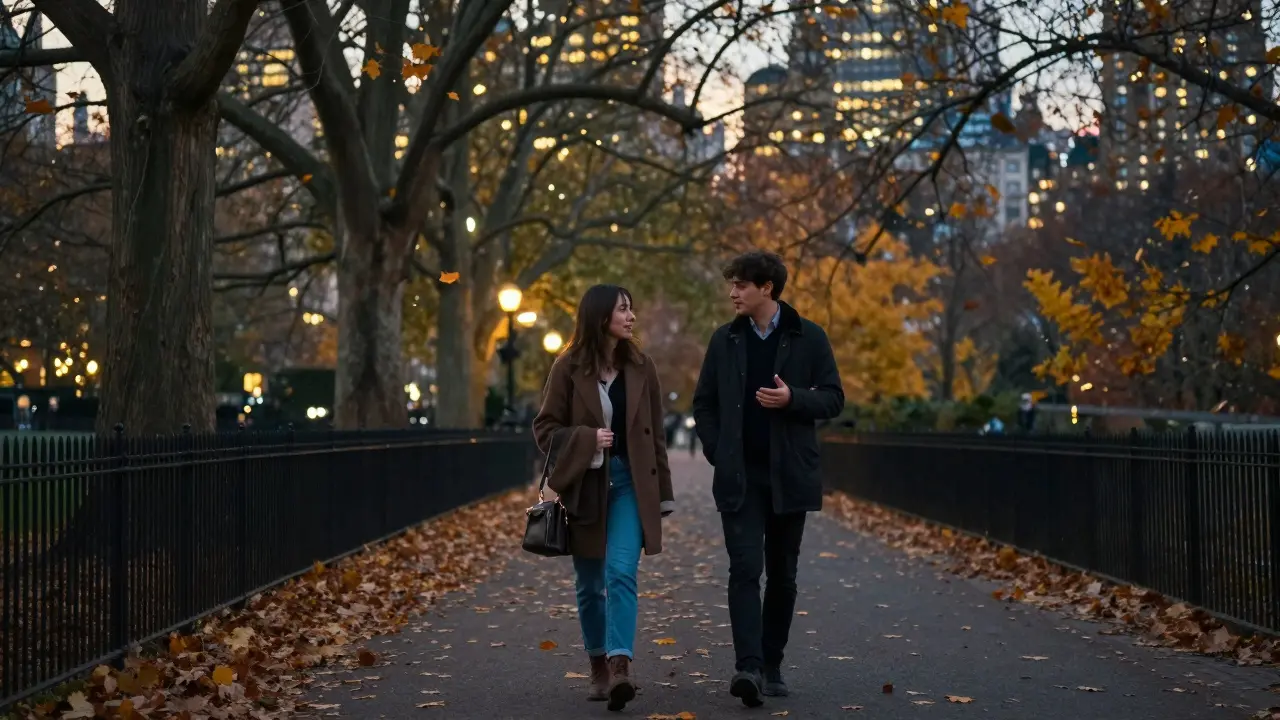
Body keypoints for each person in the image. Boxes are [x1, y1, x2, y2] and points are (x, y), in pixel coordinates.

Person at [692, 250, 844, 707]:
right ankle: (749, 667)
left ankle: (772, 663)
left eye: (741, 285)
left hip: (789, 475)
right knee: (744, 570)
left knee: (782, 575)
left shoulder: (808, 336)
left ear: (767, 288)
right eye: (732, 284)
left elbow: (833, 398)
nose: (733, 293)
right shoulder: (724, 340)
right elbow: (704, 403)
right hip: (740, 477)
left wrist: (793, 398)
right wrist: (719, 451)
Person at [532, 284, 675, 712]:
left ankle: (619, 666)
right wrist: (587, 440)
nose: (631, 317)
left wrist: (663, 494)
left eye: (631, 309)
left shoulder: (642, 367)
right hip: (587, 487)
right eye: (623, 310)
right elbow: (545, 429)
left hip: (631, 484)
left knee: (621, 572)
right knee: (590, 583)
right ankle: (597, 664)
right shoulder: (568, 367)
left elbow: (656, 434)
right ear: (600, 317)